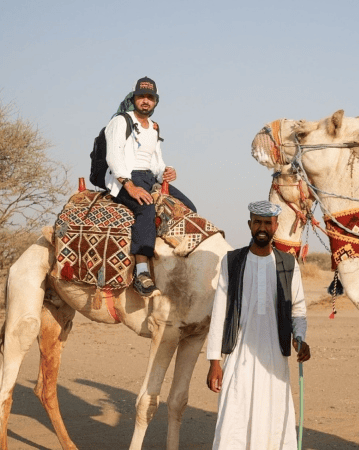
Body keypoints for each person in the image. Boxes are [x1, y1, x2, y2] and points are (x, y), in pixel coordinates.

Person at [206, 200, 311, 450]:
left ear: (276, 226)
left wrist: (299, 338)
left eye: (267, 222)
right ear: (249, 225)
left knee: (274, 416)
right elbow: (219, 311)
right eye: (257, 222)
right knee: (234, 416)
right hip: (239, 355)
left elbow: (298, 308)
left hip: (274, 357)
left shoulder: (288, 264)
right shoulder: (231, 261)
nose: (262, 227)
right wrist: (214, 361)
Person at [105, 76, 196, 296]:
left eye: (150, 97)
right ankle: (142, 272)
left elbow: (156, 163)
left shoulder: (153, 127)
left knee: (188, 206)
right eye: (141, 96)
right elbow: (114, 156)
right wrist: (129, 186)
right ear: (134, 98)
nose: (145, 101)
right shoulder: (121, 121)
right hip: (124, 177)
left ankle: (173, 260)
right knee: (145, 208)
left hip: (149, 178)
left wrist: (166, 171)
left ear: (155, 101)